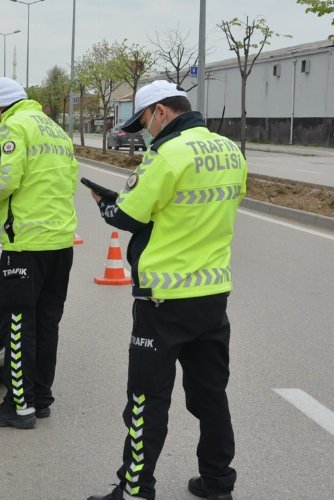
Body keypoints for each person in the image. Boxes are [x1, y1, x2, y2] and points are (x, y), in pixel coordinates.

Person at [85, 80, 247, 500]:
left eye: (144, 122)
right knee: (210, 395)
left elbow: (128, 215)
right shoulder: (230, 150)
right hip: (212, 297)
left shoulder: (167, 155)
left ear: (160, 111)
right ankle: (217, 483)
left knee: (145, 400)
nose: (146, 132)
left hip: (163, 301)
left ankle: (135, 489)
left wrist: (104, 203)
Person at [0, 77, 78, 430]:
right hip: (60, 244)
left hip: (25, 245)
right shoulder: (55, 130)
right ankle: (40, 398)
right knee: (47, 324)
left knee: (17, 325)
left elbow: (3, 180)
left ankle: (19, 406)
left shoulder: (12, 128)